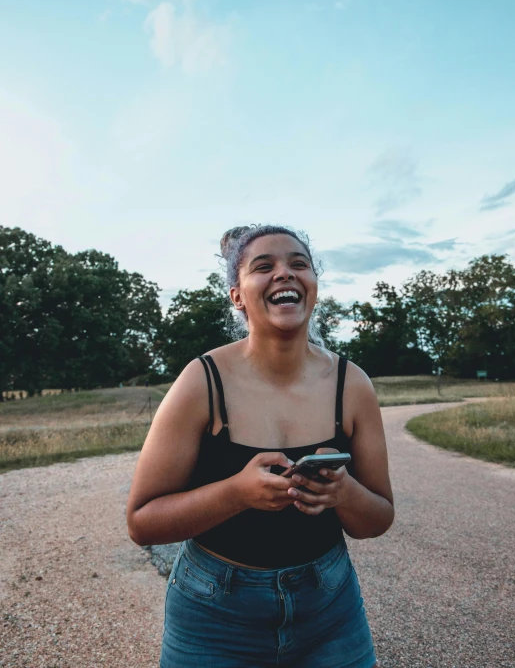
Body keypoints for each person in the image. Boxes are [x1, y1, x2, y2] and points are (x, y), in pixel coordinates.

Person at [127, 224, 394, 668]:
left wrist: (344, 493)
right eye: (264, 266)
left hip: (331, 612)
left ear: (314, 285)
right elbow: (142, 523)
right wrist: (235, 493)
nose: (284, 274)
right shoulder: (202, 381)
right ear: (237, 295)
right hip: (212, 617)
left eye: (298, 264)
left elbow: (378, 519)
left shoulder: (353, 385)